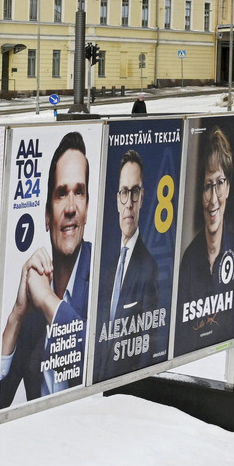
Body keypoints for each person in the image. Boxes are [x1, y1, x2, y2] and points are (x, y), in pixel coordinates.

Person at [0, 133, 92, 407]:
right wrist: (17, 315)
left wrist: (49, 302)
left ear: (87, 209)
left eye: (79, 192)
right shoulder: (34, 301)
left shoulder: (106, 275)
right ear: (48, 216)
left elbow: (96, 361)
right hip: (43, 432)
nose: (71, 208)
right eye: (62, 193)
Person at [93, 150, 163, 381]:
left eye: (135, 192)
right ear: (117, 200)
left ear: (142, 198)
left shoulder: (149, 267)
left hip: (127, 388)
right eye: (124, 192)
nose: (129, 203)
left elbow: (148, 343)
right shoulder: (108, 268)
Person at [176, 126, 234, 354]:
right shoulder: (189, 260)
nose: (213, 199)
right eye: (207, 186)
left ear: (228, 187)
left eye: (219, 183)